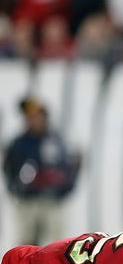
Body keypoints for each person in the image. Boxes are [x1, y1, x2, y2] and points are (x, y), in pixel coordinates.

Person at [2, 97, 79, 246]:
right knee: (25, 244)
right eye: (28, 117)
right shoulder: (18, 143)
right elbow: (10, 171)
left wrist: (64, 187)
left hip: (53, 201)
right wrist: (17, 188)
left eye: (35, 116)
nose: (32, 120)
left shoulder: (57, 141)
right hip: (27, 201)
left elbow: (68, 169)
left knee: (56, 245)